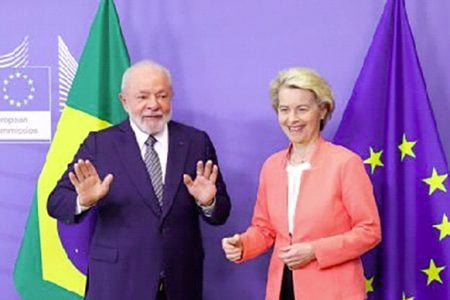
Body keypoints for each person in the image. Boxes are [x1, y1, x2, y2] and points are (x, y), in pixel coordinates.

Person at [47, 60, 231, 300]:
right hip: (118, 281)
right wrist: (83, 200)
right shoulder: (100, 144)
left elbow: (222, 212)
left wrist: (209, 203)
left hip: (180, 281)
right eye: (143, 97)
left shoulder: (196, 142)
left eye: (162, 96)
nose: (153, 105)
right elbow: (56, 202)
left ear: (171, 97)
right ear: (124, 101)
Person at [222, 67, 381, 299]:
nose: (292, 119)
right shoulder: (271, 166)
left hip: (334, 291)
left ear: (323, 110)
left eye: (302, 109)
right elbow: (264, 229)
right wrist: (243, 245)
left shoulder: (346, 163)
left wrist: (315, 251)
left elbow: (370, 231)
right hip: (282, 288)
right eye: (284, 110)